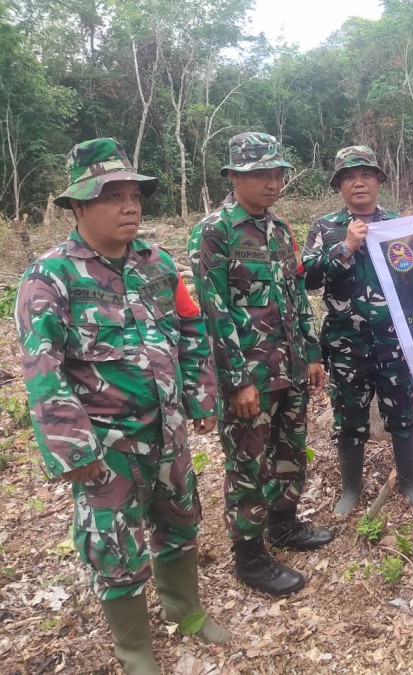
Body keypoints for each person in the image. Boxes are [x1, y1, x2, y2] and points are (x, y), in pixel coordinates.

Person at [16, 138, 230, 674]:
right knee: (113, 545)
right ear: (79, 206)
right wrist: (73, 450)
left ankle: (187, 612)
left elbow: (190, 323)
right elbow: (44, 371)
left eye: (134, 195)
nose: (130, 206)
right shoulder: (50, 278)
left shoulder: (157, 262)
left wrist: (200, 393)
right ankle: (135, 651)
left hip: (167, 430)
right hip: (105, 444)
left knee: (180, 520)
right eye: (113, 196)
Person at [188, 132, 333, 597]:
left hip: (288, 367)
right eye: (261, 174)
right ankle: (249, 557)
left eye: (277, 174)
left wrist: (310, 353)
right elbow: (215, 310)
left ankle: (284, 525)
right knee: (248, 462)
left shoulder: (280, 229)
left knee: (290, 451)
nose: (272, 183)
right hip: (250, 375)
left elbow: (296, 295)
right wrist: (236, 381)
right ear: (234, 177)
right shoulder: (215, 231)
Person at [303, 145, 413, 514]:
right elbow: (307, 277)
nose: (359, 182)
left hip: (394, 343)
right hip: (345, 343)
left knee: (402, 413)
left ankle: (409, 485)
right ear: (340, 185)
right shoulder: (324, 228)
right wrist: (346, 247)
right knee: (349, 418)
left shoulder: (398, 224)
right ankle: (350, 492)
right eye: (350, 177)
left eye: (366, 175)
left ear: (378, 181)